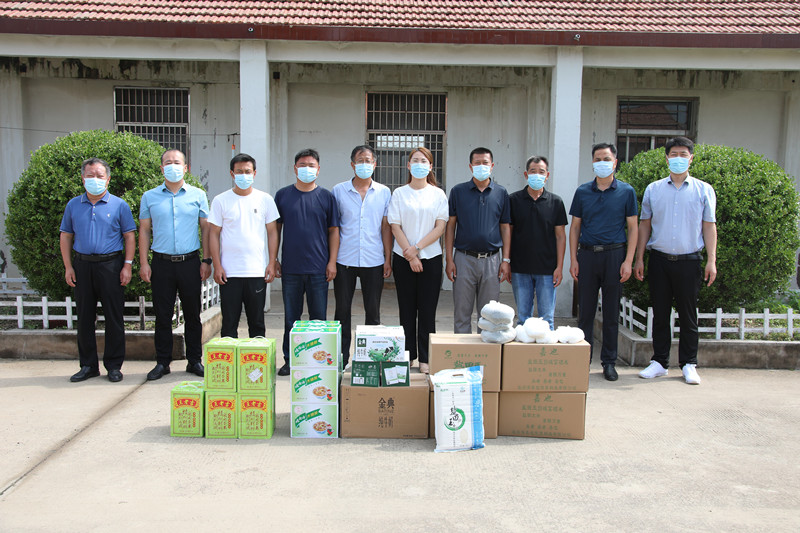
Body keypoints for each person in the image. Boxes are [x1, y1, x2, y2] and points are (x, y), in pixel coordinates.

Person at [634, 137, 717, 385]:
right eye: (674, 154)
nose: (678, 158)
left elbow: (709, 226)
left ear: (691, 158)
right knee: (660, 313)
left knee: (688, 315)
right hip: (659, 260)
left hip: (689, 261)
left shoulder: (703, 190)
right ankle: (659, 362)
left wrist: (711, 260)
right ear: (666, 158)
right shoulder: (654, 189)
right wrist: (639, 258)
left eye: (683, 154)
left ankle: (689, 363)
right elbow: (645, 224)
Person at [59, 158, 136, 383]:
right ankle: (88, 365)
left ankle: (114, 366)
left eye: (100, 176)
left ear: (108, 179)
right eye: (90, 175)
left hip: (111, 265)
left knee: (114, 316)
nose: (95, 180)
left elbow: (129, 236)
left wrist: (127, 265)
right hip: (82, 265)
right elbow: (66, 236)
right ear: (83, 179)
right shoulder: (73, 205)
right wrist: (68, 266)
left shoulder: (119, 205)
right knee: (84, 317)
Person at [139, 149, 211, 381]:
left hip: (190, 263)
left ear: (186, 168)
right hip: (162, 264)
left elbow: (206, 229)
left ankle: (194, 360)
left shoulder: (198, 195)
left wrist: (206, 260)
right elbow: (144, 230)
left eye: (177, 162)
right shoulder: (149, 197)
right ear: (162, 168)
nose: (173, 166)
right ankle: (162, 362)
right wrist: (144, 263)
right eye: (168, 162)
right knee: (162, 316)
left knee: (193, 314)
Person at [568, 143, 638, 382]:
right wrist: (573, 259)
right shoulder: (582, 192)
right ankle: (583, 361)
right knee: (585, 312)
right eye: (598, 159)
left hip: (614, 256)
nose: (602, 163)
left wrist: (628, 261)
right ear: (592, 162)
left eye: (606, 159)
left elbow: (633, 227)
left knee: (610, 313)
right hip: (587, 256)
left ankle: (609, 362)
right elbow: (575, 227)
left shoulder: (626, 191)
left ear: (615, 162)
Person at [275, 149, 340, 376]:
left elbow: (334, 231)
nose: (307, 169)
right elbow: (275, 230)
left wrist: (332, 262)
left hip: (319, 269)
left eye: (311, 165)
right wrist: (274, 259)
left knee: (318, 319)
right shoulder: (283, 196)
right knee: (291, 319)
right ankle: (290, 360)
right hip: (291, 268)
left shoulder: (327, 197)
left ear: (318, 169)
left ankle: (316, 361)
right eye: (302, 165)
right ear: (295, 169)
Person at [388, 147, 449, 374]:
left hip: (430, 258)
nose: (419, 164)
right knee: (406, 309)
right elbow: (395, 225)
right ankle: (407, 355)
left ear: (431, 166)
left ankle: (425, 357)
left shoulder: (438, 194)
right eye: (415, 160)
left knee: (427, 310)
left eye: (424, 161)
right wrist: (410, 253)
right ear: (408, 165)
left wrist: (417, 249)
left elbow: (440, 227)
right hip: (403, 258)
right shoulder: (399, 193)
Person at [208, 153, 280, 340]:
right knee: (229, 324)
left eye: (247, 171)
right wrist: (217, 265)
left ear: (254, 173)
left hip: (256, 272)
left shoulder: (265, 199)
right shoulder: (220, 200)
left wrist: (272, 262)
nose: (243, 175)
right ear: (232, 174)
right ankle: (229, 359)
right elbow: (213, 234)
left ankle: (257, 358)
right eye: (239, 171)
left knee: (257, 324)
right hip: (229, 273)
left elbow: (272, 232)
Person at [332, 145, 392, 368]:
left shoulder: (384, 192)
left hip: (373, 259)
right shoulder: (339, 191)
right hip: (344, 259)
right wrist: (332, 260)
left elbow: (385, 227)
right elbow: (334, 228)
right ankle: (342, 358)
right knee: (342, 311)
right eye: (360, 160)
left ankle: (370, 360)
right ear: (352, 164)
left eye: (368, 160)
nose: (364, 164)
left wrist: (387, 258)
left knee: (373, 311)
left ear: (375, 164)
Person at [445, 147, 511, 333]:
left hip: (492, 260)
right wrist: (449, 259)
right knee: (461, 313)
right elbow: (450, 226)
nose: (481, 166)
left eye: (485, 163)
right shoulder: (458, 192)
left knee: (490, 316)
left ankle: (486, 350)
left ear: (492, 166)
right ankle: (464, 350)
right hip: (463, 259)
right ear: (470, 166)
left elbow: (505, 227)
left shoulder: (501, 193)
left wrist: (505, 260)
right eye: (477, 163)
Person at [509, 156, 567, 329]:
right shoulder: (513, 200)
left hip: (547, 270)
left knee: (547, 320)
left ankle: (546, 347)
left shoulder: (556, 202)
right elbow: (508, 233)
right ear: (526, 174)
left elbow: (560, 236)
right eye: (533, 171)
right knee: (523, 319)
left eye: (541, 172)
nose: (537, 175)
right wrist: (507, 262)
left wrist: (559, 267)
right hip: (520, 268)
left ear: (547, 175)